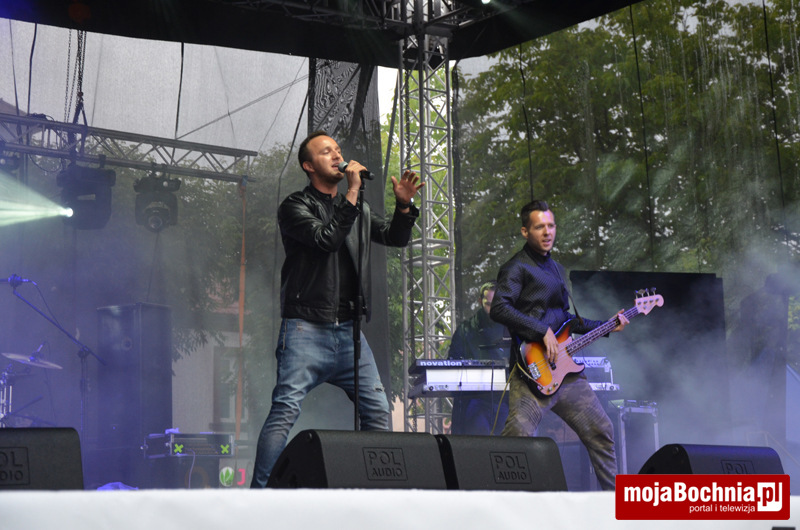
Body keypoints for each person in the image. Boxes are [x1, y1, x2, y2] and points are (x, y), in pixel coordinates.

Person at [250, 130, 424, 488]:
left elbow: (395, 237)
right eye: (325, 151)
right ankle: (260, 496)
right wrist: (353, 193)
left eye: (337, 150)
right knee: (284, 411)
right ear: (308, 166)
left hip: (348, 332)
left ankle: (375, 493)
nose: (336, 155)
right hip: (305, 328)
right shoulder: (294, 206)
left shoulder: (357, 209)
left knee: (378, 411)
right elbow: (325, 239)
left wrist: (404, 207)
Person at [489, 199, 628, 491]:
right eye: (539, 226)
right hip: (531, 373)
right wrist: (541, 331)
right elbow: (499, 308)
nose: (547, 232)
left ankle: (615, 503)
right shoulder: (516, 267)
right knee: (517, 438)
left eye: (551, 225)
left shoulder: (557, 269)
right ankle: (504, 506)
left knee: (602, 430)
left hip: (567, 373)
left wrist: (607, 325)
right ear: (525, 231)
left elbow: (567, 321)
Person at [447, 281, 509, 435]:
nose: (493, 309)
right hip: (475, 400)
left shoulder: (511, 328)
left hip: (505, 399)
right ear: (480, 301)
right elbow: (452, 364)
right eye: (488, 304)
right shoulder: (465, 330)